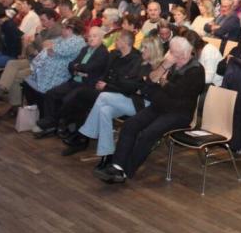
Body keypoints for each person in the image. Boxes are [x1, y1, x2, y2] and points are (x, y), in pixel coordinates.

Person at [93, 36, 205, 184]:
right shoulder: (170, 63)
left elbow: (177, 92)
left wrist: (163, 81)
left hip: (179, 114)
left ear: (184, 54)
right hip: (158, 107)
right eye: (170, 51)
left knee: (147, 134)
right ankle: (117, 165)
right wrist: (164, 66)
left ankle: (126, 171)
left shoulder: (196, 70)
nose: (169, 55)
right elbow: (152, 79)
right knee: (130, 125)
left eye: (173, 53)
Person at [61, 30, 145, 156]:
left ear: (125, 42)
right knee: (82, 98)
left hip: (121, 95)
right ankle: (76, 133)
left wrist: (107, 85)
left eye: (118, 39)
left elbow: (128, 85)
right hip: (105, 89)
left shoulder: (135, 59)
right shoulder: (115, 54)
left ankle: (80, 136)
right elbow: (106, 73)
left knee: (82, 94)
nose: (115, 42)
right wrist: (100, 82)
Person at [33, 27, 109, 138]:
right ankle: (51, 123)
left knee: (67, 99)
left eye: (95, 36)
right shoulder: (85, 49)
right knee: (51, 93)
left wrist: (78, 68)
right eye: (90, 36)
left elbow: (89, 68)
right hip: (75, 81)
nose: (91, 38)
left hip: (87, 85)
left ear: (101, 38)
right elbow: (71, 64)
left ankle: (51, 122)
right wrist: (78, 69)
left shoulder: (103, 53)